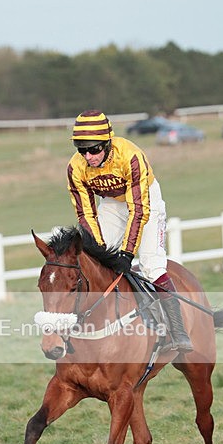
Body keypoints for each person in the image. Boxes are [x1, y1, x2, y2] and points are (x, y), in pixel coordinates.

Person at [66, 109, 192, 352]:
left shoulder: (131, 156)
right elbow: (85, 214)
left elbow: (139, 210)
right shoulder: (75, 168)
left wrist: (126, 253)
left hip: (145, 202)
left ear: (107, 143)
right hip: (111, 204)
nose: (88, 156)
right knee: (95, 258)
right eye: (82, 150)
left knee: (152, 266)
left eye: (94, 149)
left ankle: (178, 331)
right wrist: (100, 247)